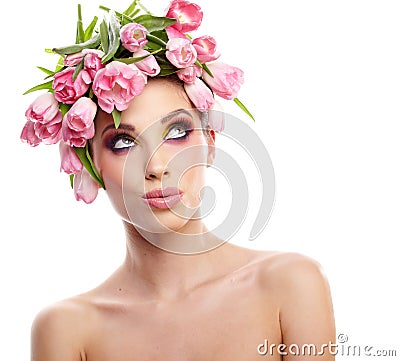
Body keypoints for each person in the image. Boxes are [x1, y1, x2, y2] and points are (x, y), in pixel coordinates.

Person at [22, 1, 336, 360]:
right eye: (123, 142)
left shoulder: (290, 284)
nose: (155, 166)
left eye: (176, 132)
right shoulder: (66, 330)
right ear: (90, 166)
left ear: (211, 143)